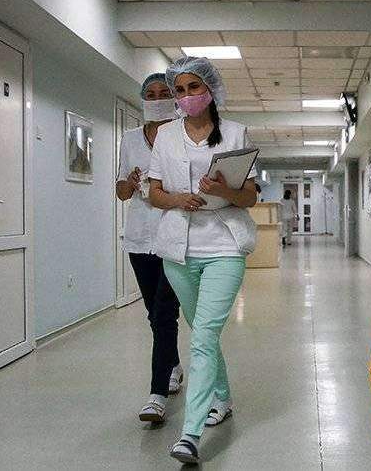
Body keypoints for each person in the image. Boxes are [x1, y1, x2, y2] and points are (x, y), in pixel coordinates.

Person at [147, 56, 258, 464]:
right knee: (203, 333)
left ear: (210, 89)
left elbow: (249, 196)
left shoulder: (235, 132)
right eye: (179, 90)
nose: (186, 96)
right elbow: (154, 192)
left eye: (194, 87)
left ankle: (190, 435)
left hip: (224, 245)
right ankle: (222, 397)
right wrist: (179, 198)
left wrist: (222, 191)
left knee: (203, 336)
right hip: (179, 249)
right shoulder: (166, 136)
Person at [116, 73, 183, 424]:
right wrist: (130, 182)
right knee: (154, 314)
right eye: (150, 94)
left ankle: (157, 396)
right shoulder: (129, 139)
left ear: (173, 99)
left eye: (163, 93)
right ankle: (173, 365)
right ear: (143, 99)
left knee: (164, 313)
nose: (157, 99)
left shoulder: (182, 135)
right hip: (139, 237)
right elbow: (120, 192)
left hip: (172, 234)